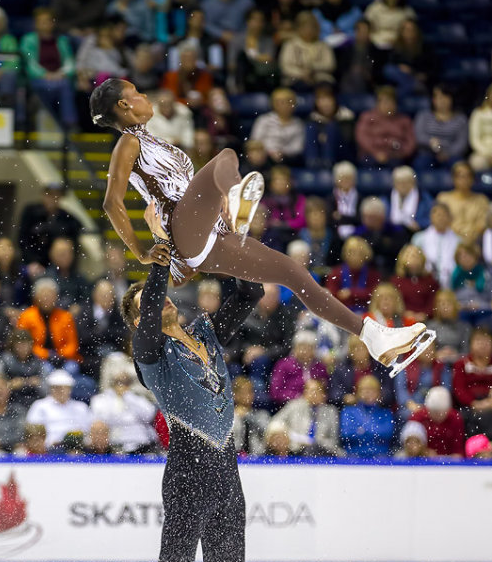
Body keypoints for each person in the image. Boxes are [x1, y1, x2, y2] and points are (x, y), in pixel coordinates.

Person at [90, 77, 434, 378]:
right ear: (124, 104)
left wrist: (216, 207)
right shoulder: (129, 142)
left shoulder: (153, 141)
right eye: (137, 92)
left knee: (292, 272)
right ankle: (235, 199)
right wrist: (142, 252)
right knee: (225, 156)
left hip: (207, 237)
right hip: (182, 232)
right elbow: (111, 202)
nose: (145, 97)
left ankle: (373, 336)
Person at [120, 261, 290, 562]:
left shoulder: (205, 334)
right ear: (137, 321)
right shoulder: (149, 351)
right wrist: (158, 260)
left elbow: (251, 290)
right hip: (187, 472)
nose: (164, 302)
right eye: (146, 307)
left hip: (225, 470)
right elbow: (151, 307)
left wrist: (223, 250)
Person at [20, 7, 77, 130]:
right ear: (36, 24)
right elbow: (29, 62)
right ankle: (57, 124)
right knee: (60, 86)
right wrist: (45, 74)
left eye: (48, 21)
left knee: (65, 84)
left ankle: (69, 124)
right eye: (41, 21)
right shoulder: (28, 40)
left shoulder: (62, 40)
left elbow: (69, 61)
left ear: (53, 23)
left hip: (59, 78)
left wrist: (61, 73)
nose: (45, 24)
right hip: (38, 79)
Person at [90, 359, 158, 453]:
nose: (121, 385)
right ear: (112, 382)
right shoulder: (102, 398)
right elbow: (100, 419)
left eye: (125, 382)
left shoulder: (135, 397)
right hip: (113, 445)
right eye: (118, 382)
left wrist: (127, 396)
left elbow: (149, 415)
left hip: (139, 444)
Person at [18, 184, 82, 272]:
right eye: (50, 195)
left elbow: (76, 229)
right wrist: (32, 261)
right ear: (44, 195)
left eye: (57, 195)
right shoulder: (31, 212)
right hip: (33, 261)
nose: (53, 199)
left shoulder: (66, 217)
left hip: (56, 265)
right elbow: (22, 239)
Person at [17, 278, 81, 367]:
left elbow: (72, 345)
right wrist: (46, 355)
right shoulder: (26, 316)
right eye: (43, 294)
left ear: (56, 297)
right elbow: (22, 343)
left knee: (72, 368)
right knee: (45, 369)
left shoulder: (66, 317)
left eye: (50, 294)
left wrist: (60, 355)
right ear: (36, 297)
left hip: (64, 359)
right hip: (35, 359)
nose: (46, 298)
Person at [272, 377, 342, 456]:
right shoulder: (294, 406)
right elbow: (275, 423)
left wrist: (314, 442)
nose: (312, 394)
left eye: (316, 391)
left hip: (322, 451)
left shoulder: (331, 412)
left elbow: (334, 440)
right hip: (294, 449)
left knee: (312, 449)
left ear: (323, 395)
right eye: (309, 391)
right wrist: (291, 436)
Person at [26, 369, 92, 447]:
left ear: (70, 389)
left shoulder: (81, 407)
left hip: (76, 449)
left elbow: (88, 431)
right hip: (48, 449)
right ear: (51, 388)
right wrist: (49, 443)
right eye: (57, 387)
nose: (61, 391)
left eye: (64, 387)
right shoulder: (40, 406)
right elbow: (33, 432)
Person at [355, 85, 416, 168]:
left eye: (390, 101)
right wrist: (376, 152)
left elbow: (410, 143)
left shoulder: (404, 120)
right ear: (377, 103)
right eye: (383, 102)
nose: (387, 105)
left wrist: (399, 154)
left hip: (396, 156)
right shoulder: (367, 117)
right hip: (370, 155)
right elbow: (362, 137)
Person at [414, 85, 468, 171]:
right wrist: (430, 141)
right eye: (438, 97)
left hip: (451, 155)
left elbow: (461, 143)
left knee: (460, 167)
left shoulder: (461, 119)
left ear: (451, 98)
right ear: (433, 100)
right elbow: (419, 136)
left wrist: (447, 153)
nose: (441, 101)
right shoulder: (423, 116)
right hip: (427, 153)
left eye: (445, 97)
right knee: (421, 163)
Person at [339, 375, 395, 458]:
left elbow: (388, 433)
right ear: (358, 392)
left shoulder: (386, 413)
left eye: (372, 390)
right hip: (353, 456)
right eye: (364, 390)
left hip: (381, 457)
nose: (368, 393)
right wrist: (374, 431)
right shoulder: (348, 411)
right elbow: (346, 434)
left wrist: (362, 430)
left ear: (379, 393)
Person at [278, 11, 336, 90]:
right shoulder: (290, 44)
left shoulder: (323, 45)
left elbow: (330, 64)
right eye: (305, 27)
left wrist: (312, 69)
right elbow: (285, 67)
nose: (309, 30)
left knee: (326, 87)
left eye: (312, 27)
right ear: (298, 28)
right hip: (295, 79)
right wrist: (302, 74)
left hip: (320, 78)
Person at [269, 330, 329, 406]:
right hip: (290, 405)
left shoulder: (320, 367)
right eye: (302, 347)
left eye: (309, 348)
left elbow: (325, 388)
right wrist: (298, 397)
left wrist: (317, 397)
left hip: (317, 405)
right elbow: (275, 392)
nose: (305, 351)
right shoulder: (283, 365)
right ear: (295, 348)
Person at [436, 161, 489, 245]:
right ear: (454, 178)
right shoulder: (444, 198)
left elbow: (484, 223)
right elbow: (439, 220)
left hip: (475, 242)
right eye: (461, 176)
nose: (464, 180)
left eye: (468, 176)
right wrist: (457, 233)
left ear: (473, 179)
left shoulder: (481, 200)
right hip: (448, 240)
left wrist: (471, 233)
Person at [452, 327, 492, 439]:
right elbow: (459, 389)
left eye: (487, 341)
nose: (483, 344)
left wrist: (489, 402)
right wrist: (474, 403)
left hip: (490, 403)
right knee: (463, 417)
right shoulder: (461, 364)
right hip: (468, 406)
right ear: (470, 344)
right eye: (479, 341)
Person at [0, 328, 47, 408]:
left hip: (34, 400)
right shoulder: (4, 360)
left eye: (26, 344)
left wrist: (38, 384)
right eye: (19, 344)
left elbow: (46, 387)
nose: (23, 348)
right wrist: (9, 385)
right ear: (13, 345)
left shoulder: (37, 362)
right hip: (10, 402)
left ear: (31, 345)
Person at [250, 88, 306, 165]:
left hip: (288, 158)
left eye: (288, 102)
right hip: (264, 157)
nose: (284, 105)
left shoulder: (298, 124)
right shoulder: (264, 120)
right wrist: (270, 151)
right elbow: (255, 141)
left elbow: (298, 147)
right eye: (280, 102)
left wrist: (281, 152)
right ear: (273, 104)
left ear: (294, 104)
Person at [411, 203, 461, 289]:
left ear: (450, 218)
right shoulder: (419, 239)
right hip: (425, 281)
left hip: (451, 283)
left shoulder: (458, 241)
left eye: (444, 215)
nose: (441, 218)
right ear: (431, 217)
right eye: (438, 215)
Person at [326, 235, 380, 313]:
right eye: (351, 252)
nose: (355, 256)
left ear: (366, 255)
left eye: (359, 253)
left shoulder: (373, 274)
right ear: (345, 253)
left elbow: (374, 294)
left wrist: (351, 293)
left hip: (366, 314)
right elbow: (332, 294)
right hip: (340, 312)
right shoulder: (336, 272)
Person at [305, 83, 355, 168]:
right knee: (311, 127)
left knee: (331, 127)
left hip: (343, 154)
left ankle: (328, 162)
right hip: (320, 153)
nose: (325, 104)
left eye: (328, 99)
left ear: (334, 100)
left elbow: (347, 139)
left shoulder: (346, 116)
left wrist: (328, 136)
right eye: (321, 100)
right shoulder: (312, 118)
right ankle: (312, 161)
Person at [411, 385, 465, 458]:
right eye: (434, 412)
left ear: (448, 410)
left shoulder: (455, 418)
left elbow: (458, 449)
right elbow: (410, 446)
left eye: (441, 412)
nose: (438, 416)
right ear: (428, 409)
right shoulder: (418, 418)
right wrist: (424, 452)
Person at [391, 244, 439, 322]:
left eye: (416, 255)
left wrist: (425, 314)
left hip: (427, 320)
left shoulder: (430, 280)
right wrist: (404, 313)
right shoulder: (396, 281)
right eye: (408, 255)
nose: (412, 258)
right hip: (402, 320)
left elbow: (434, 300)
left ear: (422, 259)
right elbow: (395, 301)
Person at [451, 242, 492, 326]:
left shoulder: (485, 273)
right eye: (461, 256)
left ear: (475, 257)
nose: (465, 258)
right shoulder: (455, 276)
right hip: (462, 312)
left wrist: (479, 304)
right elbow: (451, 296)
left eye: (468, 255)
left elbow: (489, 297)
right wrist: (462, 305)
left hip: (483, 310)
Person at [426, 290, 471, 365]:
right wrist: (436, 355)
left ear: (455, 305)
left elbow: (468, 353)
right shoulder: (430, 326)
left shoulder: (464, 327)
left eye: (448, 304)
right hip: (435, 366)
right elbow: (425, 353)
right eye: (441, 304)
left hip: (458, 366)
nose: (444, 307)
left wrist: (456, 356)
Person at [231, 375, 269, 455]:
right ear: (235, 395)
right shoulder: (229, 418)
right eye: (243, 392)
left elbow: (266, 433)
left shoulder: (262, 415)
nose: (247, 395)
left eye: (250, 391)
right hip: (236, 457)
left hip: (258, 459)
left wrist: (247, 416)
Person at [388, 166, 432, 234]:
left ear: (413, 183)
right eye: (399, 182)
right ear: (394, 183)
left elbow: (430, 219)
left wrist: (419, 224)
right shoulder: (387, 198)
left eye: (406, 182)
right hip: (393, 233)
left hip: (416, 232)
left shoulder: (424, 198)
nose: (402, 185)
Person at [329, 161, 359, 240]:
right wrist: (350, 219)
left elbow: (360, 220)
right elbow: (330, 220)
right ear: (336, 179)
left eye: (348, 178)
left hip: (357, 237)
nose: (345, 181)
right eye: (342, 178)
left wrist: (341, 217)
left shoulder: (360, 198)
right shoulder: (331, 199)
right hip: (335, 238)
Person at [469, 84, 492, 173]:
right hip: (482, 153)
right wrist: (488, 154)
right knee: (476, 162)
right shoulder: (478, 113)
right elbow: (474, 140)